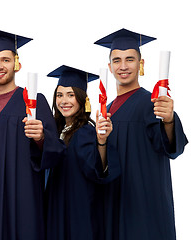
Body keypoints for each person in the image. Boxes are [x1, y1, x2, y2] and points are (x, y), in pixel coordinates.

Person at [0, 29, 65, 240]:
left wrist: (41, 138)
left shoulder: (34, 101)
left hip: (24, 203)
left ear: (16, 63)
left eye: (5, 59)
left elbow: (57, 153)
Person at [94, 28, 188, 240]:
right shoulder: (106, 110)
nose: (123, 66)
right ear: (109, 67)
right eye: (117, 60)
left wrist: (170, 120)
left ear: (141, 64)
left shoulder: (152, 103)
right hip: (113, 204)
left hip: (144, 207)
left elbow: (171, 148)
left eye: (130, 59)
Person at [45, 65, 120, 240]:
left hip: (79, 210)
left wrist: (101, 142)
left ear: (82, 100)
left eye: (71, 95)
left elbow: (95, 170)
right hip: (57, 207)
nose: (64, 101)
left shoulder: (85, 131)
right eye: (59, 95)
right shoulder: (56, 131)